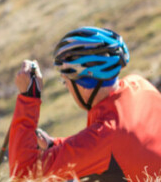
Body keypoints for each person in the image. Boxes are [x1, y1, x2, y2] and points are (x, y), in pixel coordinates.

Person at [8, 26, 161, 180]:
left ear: (83, 84)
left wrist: (29, 97)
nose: (66, 87)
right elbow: (110, 144)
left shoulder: (104, 136)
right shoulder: (138, 84)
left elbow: (22, 175)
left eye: (65, 81)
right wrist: (53, 144)